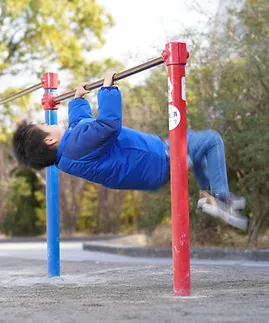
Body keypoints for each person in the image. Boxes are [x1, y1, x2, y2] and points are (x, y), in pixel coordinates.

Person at [12, 71, 248, 230]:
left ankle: (209, 196)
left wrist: (77, 100)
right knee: (212, 141)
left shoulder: (69, 152)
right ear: (49, 140)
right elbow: (108, 124)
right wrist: (106, 89)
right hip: (158, 159)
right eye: (45, 125)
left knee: (197, 150)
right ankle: (221, 197)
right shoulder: (76, 145)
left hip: (153, 162)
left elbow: (81, 125)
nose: (50, 123)